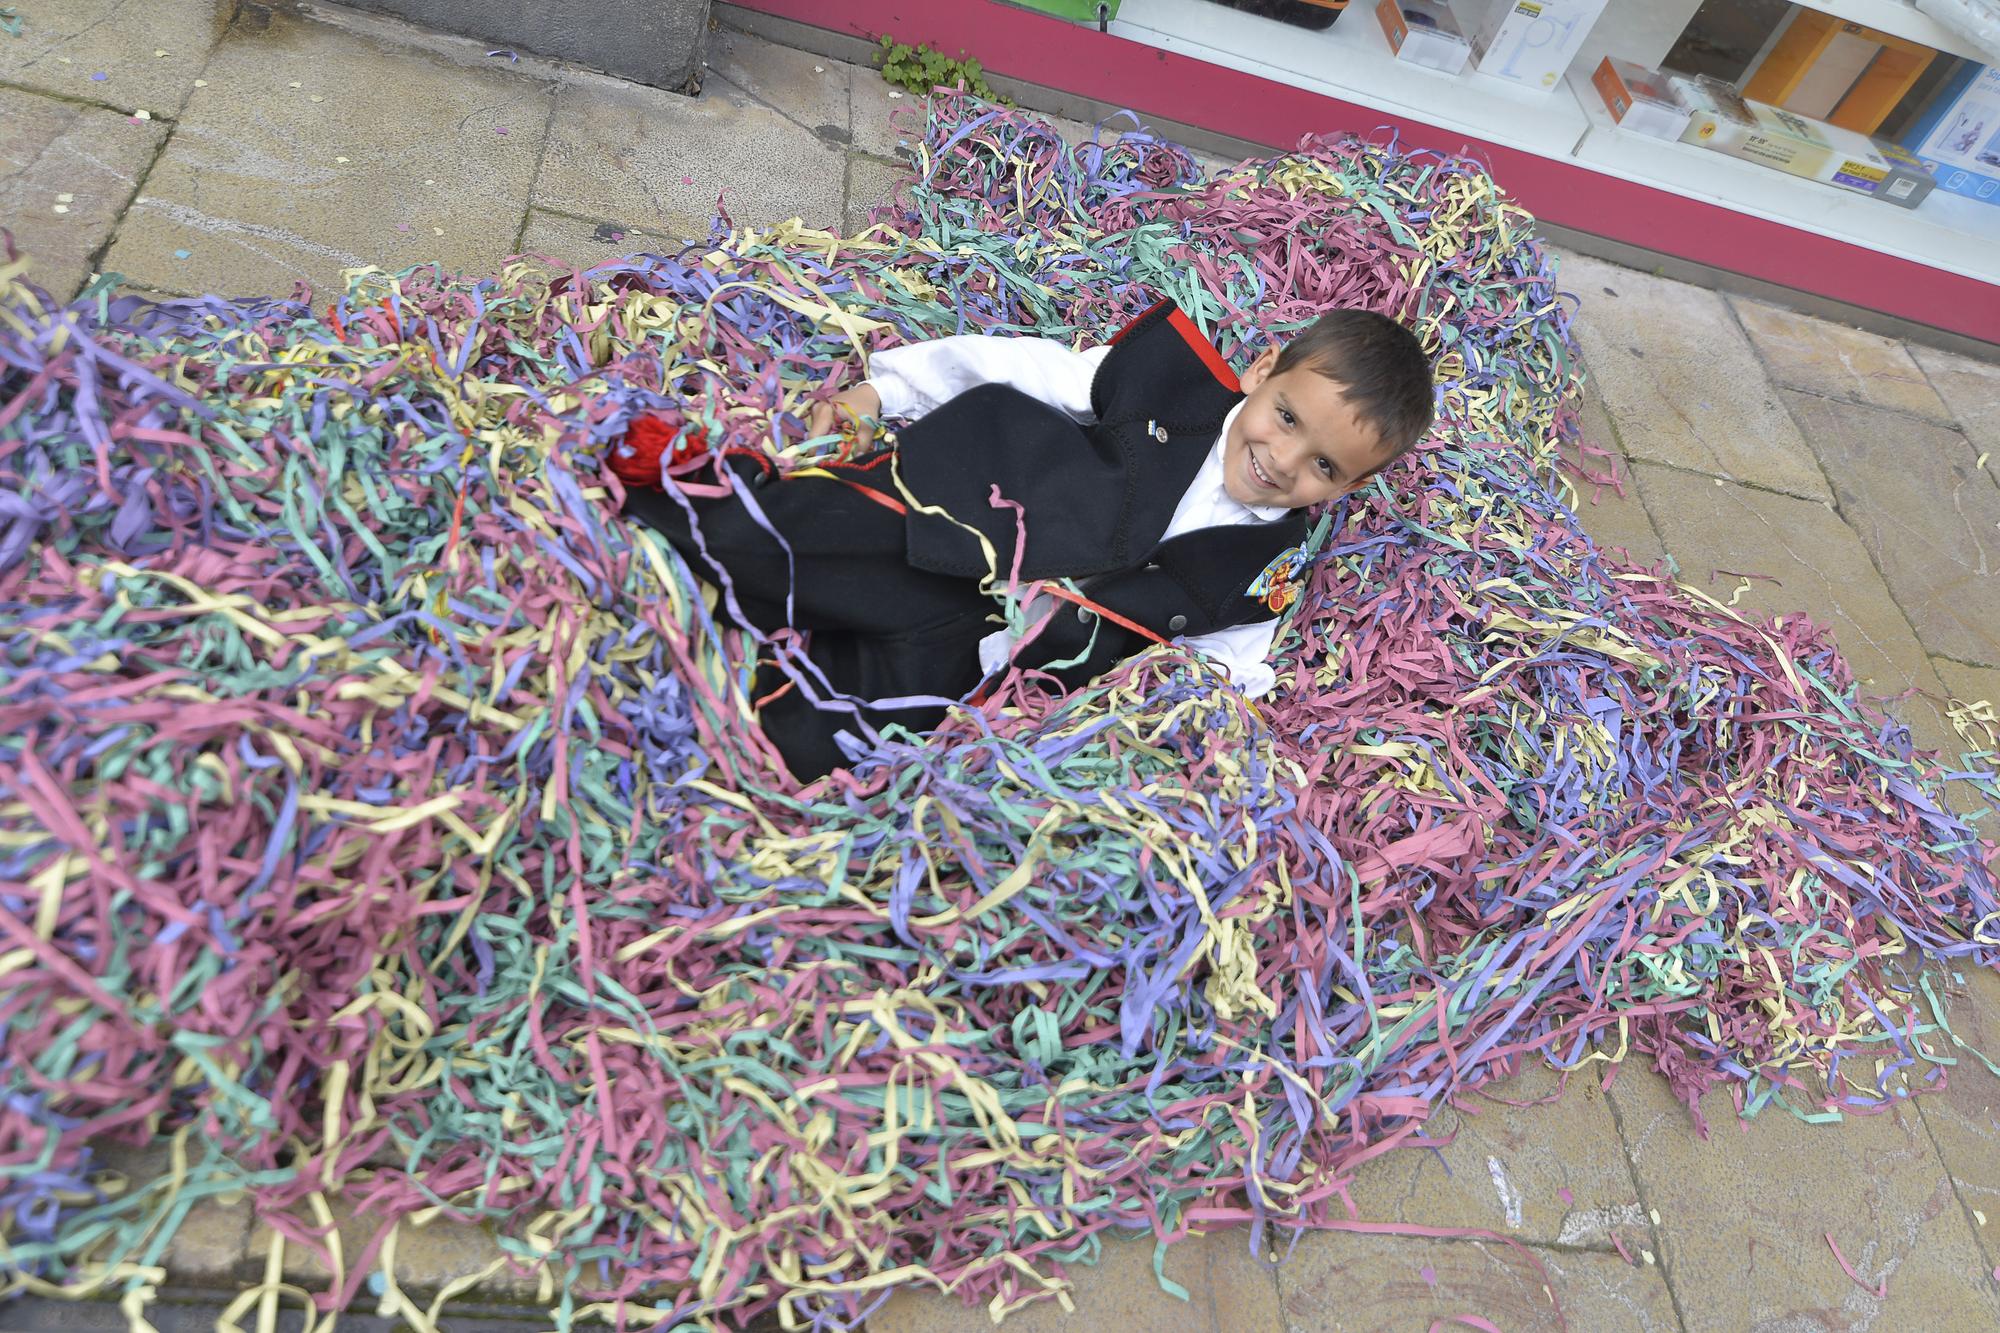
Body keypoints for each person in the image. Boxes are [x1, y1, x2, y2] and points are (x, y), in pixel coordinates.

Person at [619, 298, 1434, 781]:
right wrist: (886, 386)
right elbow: (1015, 366)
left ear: (1351, 487)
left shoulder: (1268, 569)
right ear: (1260, 373)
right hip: (961, 526)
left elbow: (1235, 661)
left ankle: (688, 720)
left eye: (1324, 464)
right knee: (815, 543)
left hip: (999, 651)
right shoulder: (1163, 384)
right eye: (1285, 416)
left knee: (842, 727)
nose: (1282, 459)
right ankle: (658, 532)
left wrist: (1207, 721)